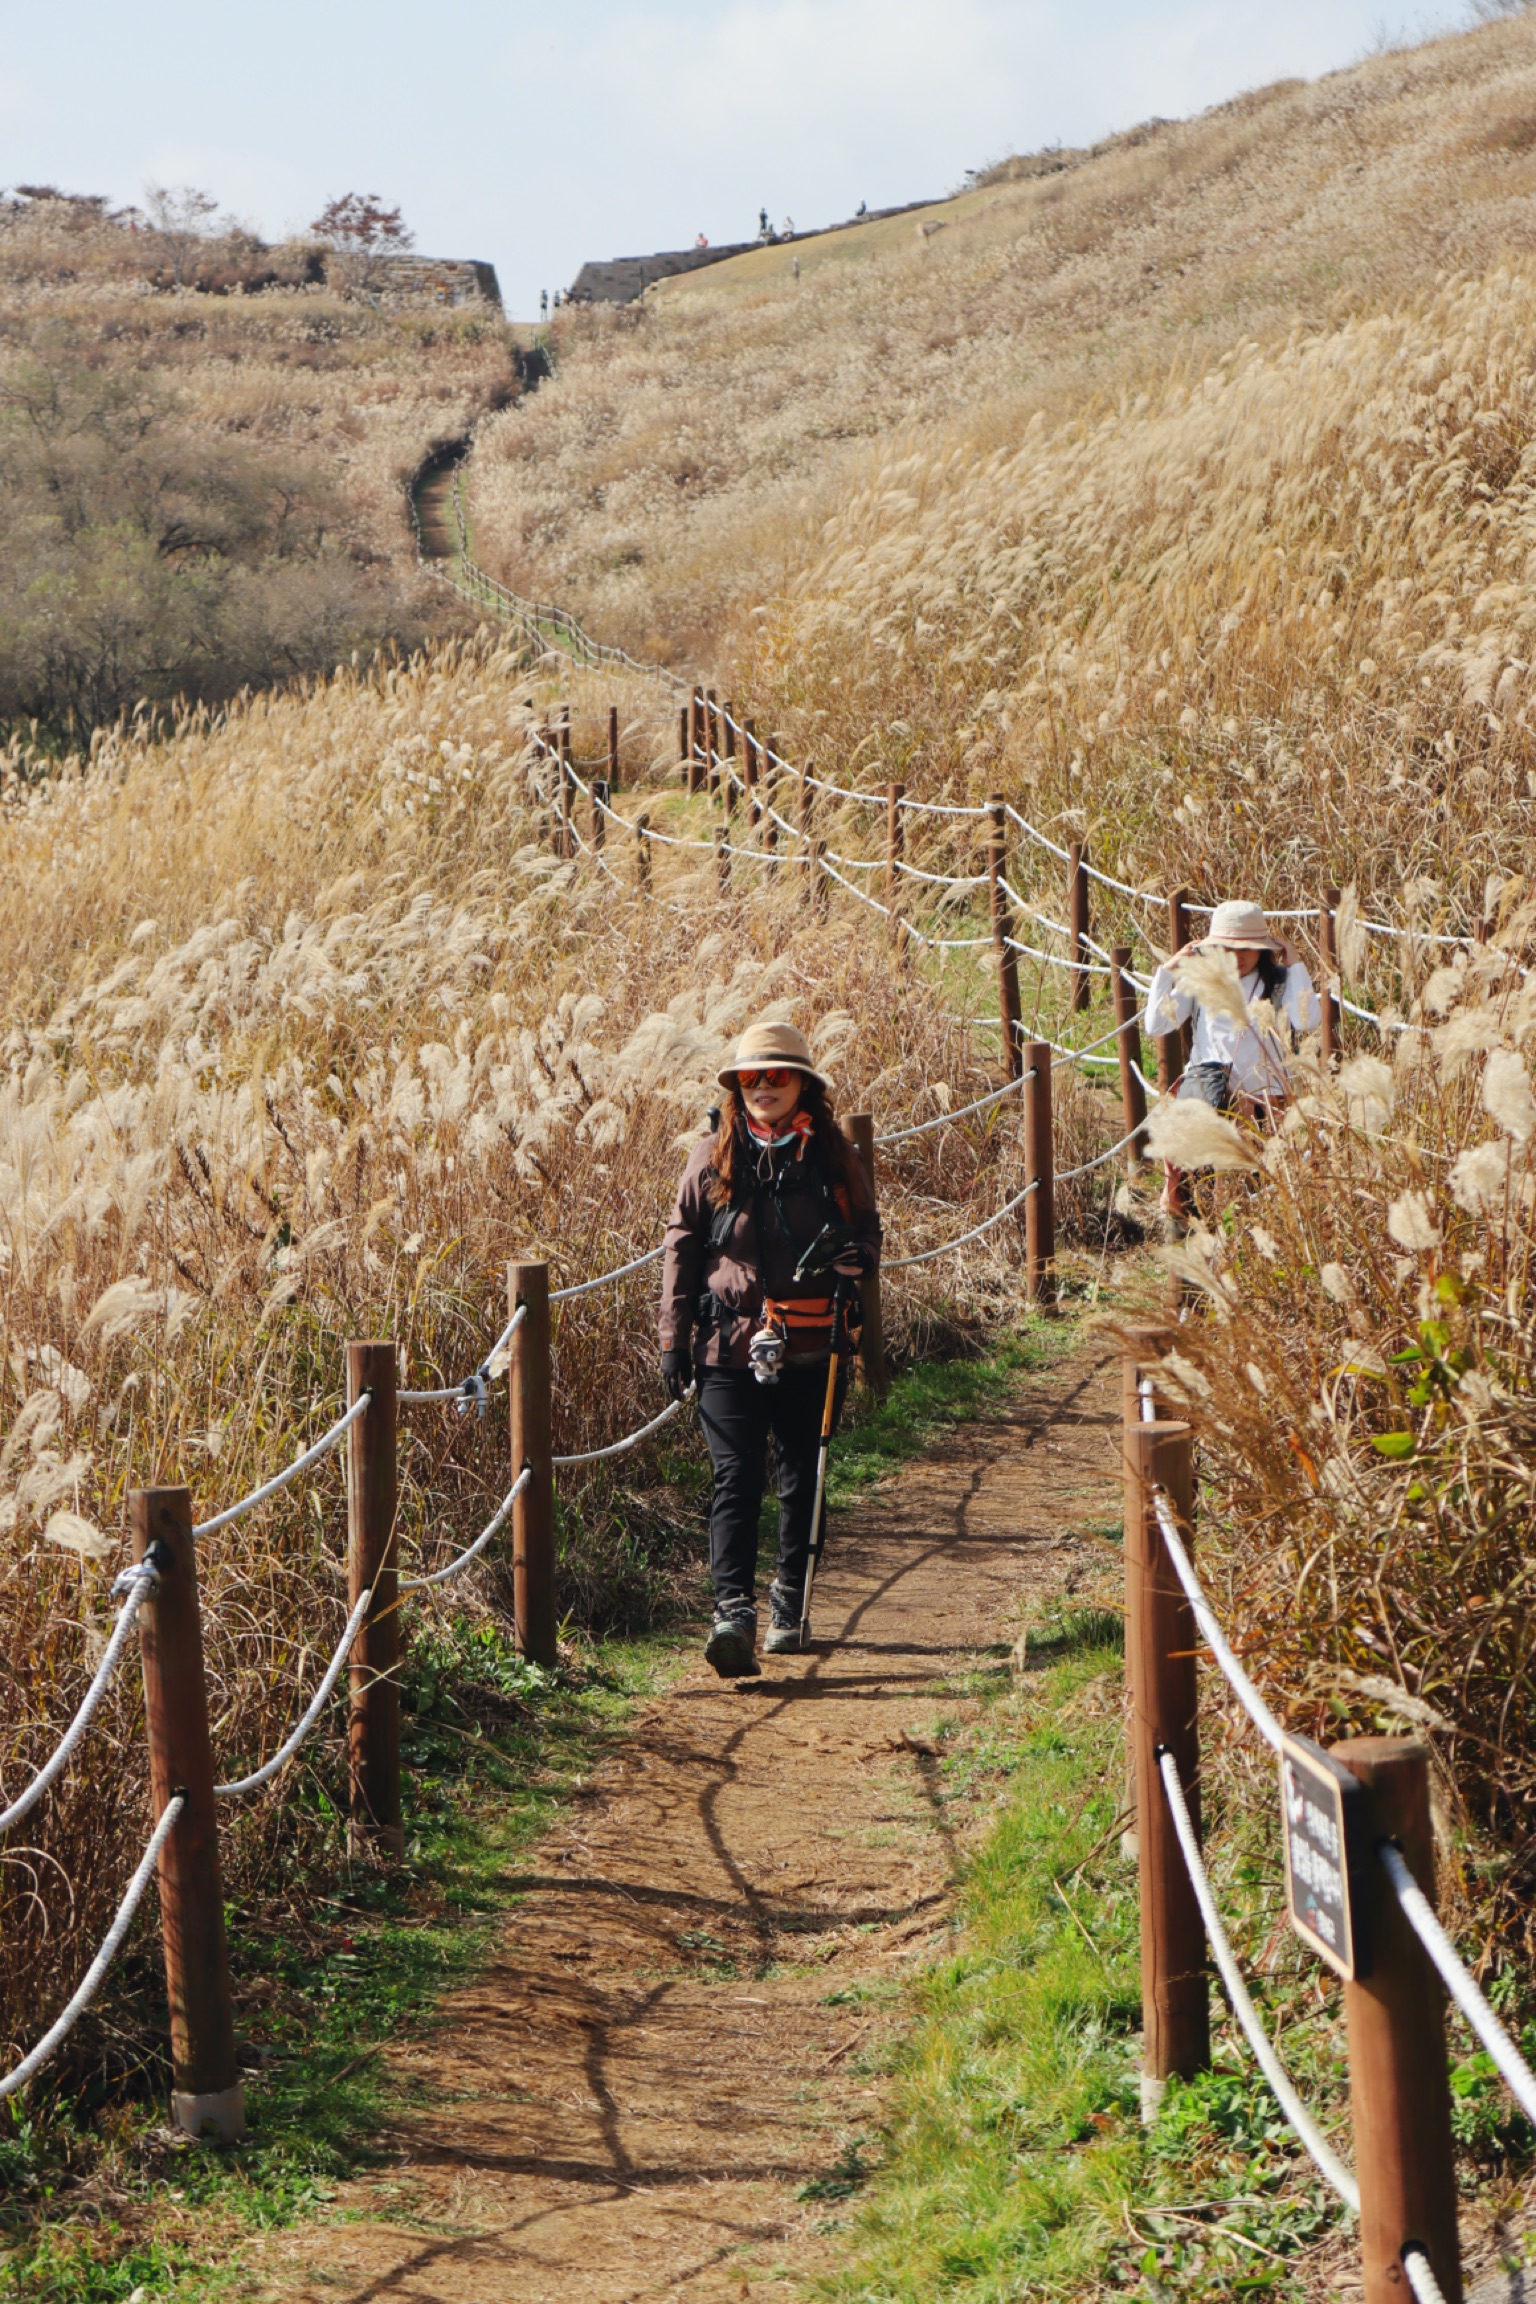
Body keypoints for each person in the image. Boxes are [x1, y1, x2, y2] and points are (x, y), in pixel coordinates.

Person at [660, 1021, 881, 1677]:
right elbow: (681, 1247)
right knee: (736, 1477)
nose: (763, 1086)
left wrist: (859, 1257)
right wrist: (673, 1340)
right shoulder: (711, 1157)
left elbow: (868, 1229)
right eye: (751, 1077)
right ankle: (732, 1615)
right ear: (737, 1088)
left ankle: (790, 1601)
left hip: (813, 1342)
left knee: (800, 1475)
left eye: (777, 1075)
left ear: (802, 1084)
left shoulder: (833, 1157)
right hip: (726, 1346)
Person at [1142, 899, 1321, 1225]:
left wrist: (1294, 963)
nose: (1237, 956)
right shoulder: (1201, 980)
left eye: (1247, 948)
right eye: (1228, 948)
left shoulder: (1279, 981)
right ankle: (1191, 1236)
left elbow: (1308, 1020)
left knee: (1257, 1190)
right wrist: (1167, 970)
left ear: (1263, 950)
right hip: (1208, 1098)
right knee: (1192, 1186)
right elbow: (1156, 1025)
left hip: (1263, 1103)